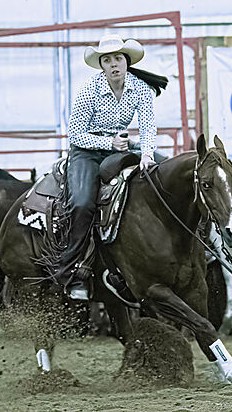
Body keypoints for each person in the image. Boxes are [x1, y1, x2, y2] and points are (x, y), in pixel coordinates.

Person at [55, 34, 168, 300]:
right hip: (87, 151)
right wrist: (109, 142)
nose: (114, 64)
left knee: (167, 171)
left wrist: (147, 154)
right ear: (102, 66)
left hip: (120, 146)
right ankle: (71, 269)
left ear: (126, 62)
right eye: (107, 60)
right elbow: (75, 135)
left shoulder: (140, 88)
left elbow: (148, 126)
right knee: (82, 202)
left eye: (118, 58)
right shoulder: (89, 90)